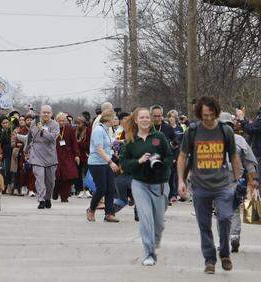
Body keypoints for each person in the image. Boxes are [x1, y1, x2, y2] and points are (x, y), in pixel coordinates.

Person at [177, 96, 242, 274]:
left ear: (216, 113)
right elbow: (182, 156)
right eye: (204, 115)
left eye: (211, 114)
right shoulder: (192, 131)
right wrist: (181, 181)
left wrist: (238, 180)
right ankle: (209, 260)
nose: (208, 118)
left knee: (225, 218)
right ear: (199, 114)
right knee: (204, 224)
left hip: (222, 184)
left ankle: (225, 252)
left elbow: (234, 156)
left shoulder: (225, 131)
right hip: (199, 185)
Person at [120, 107, 174, 266]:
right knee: (145, 219)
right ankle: (149, 253)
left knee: (159, 222)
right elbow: (123, 163)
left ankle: (155, 241)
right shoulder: (130, 140)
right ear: (136, 120)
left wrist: (163, 166)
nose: (145, 120)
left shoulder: (159, 137)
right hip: (140, 184)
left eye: (147, 117)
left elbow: (170, 156)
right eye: (141, 117)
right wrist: (138, 161)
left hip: (160, 184)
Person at [218, 113, 258, 254]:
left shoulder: (213, 139)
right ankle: (234, 236)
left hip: (222, 180)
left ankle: (225, 240)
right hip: (234, 179)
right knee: (233, 209)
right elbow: (249, 163)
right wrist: (254, 179)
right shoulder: (239, 140)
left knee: (221, 211)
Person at [86, 107, 120, 223]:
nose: (116, 121)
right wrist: (110, 162)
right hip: (96, 163)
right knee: (102, 189)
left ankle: (109, 213)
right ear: (108, 119)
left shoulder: (106, 130)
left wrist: (113, 150)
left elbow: (107, 145)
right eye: (114, 118)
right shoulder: (98, 130)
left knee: (111, 188)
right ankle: (91, 209)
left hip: (106, 162)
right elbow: (99, 149)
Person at [25, 105, 60, 209]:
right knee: (39, 178)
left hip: (50, 155)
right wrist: (26, 150)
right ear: (40, 113)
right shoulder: (33, 123)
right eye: (44, 112)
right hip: (36, 153)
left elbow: (52, 138)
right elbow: (29, 137)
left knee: (50, 182)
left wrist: (42, 130)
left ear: (51, 114)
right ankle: (41, 200)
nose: (45, 114)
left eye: (48, 113)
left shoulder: (55, 125)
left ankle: (47, 198)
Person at [53, 112, 80, 202]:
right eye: (59, 121)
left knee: (68, 176)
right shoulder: (53, 128)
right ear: (56, 121)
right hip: (56, 154)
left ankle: (64, 196)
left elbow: (74, 143)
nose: (61, 122)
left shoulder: (69, 128)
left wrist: (76, 155)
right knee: (58, 176)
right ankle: (56, 191)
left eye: (63, 121)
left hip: (68, 155)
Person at [74, 115, 91, 198]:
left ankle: (87, 190)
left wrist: (79, 143)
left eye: (79, 123)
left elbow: (89, 144)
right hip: (77, 155)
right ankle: (80, 190)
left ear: (84, 123)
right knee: (78, 173)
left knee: (87, 173)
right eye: (76, 123)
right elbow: (73, 144)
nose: (78, 125)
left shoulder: (88, 131)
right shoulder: (74, 131)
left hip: (86, 155)